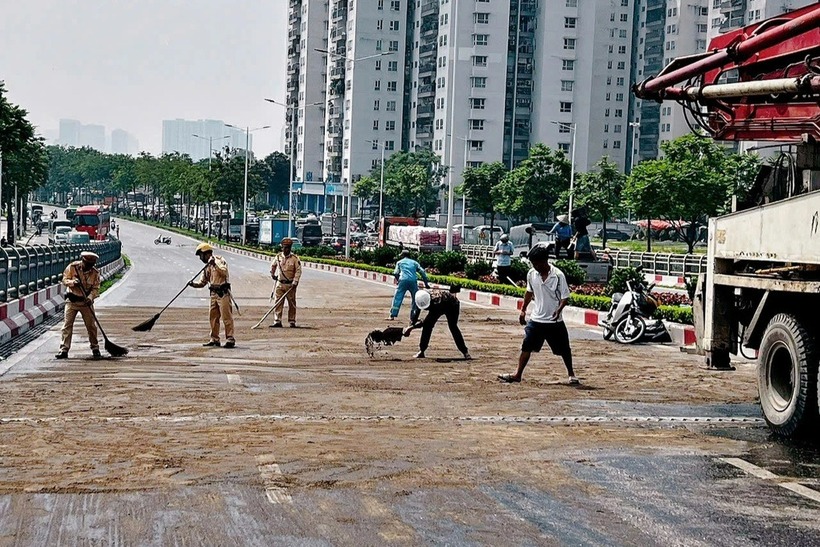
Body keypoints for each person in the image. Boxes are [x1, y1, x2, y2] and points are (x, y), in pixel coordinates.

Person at [497, 244, 579, 384]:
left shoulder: (558, 276)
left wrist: (559, 309)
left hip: (554, 321)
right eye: (532, 263)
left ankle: (571, 374)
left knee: (564, 349)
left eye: (536, 263)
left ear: (544, 261)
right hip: (536, 319)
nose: (534, 266)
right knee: (526, 346)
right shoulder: (531, 274)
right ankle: (518, 374)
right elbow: (529, 292)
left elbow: (565, 297)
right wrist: (523, 309)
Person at [56, 251, 101, 359]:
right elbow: (64, 280)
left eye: (90, 265)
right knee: (67, 326)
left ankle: (95, 348)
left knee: (91, 326)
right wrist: (72, 282)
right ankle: (64, 350)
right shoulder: (73, 267)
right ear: (83, 261)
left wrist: (90, 298)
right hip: (72, 301)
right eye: (86, 264)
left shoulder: (95, 273)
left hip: (86, 303)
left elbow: (96, 288)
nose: (88, 267)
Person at [188, 243, 236, 348]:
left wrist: (214, 264)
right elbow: (202, 282)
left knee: (226, 317)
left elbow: (224, 272)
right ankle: (214, 339)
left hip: (223, 293)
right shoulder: (207, 267)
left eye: (201, 255)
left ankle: (230, 339)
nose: (200, 258)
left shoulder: (219, 261)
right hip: (213, 294)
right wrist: (193, 284)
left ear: (206, 253)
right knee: (213, 317)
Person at [403, 287, 470, 360]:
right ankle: (422, 350)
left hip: (452, 305)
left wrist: (412, 328)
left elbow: (425, 322)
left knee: (453, 327)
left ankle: (465, 352)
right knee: (427, 327)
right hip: (441, 303)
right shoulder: (420, 298)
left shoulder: (436, 304)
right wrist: (411, 324)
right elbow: (416, 313)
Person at [389, 249, 429, 323]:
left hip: (403, 281)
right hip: (413, 281)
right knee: (415, 299)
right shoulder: (414, 263)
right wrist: (426, 283)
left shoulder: (400, 262)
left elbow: (395, 273)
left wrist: (398, 280)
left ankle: (392, 315)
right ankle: (413, 317)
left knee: (397, 297)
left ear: (403, 256)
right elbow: (422, 272)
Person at [270, 237, 302, 328]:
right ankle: (277, 320)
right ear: (282, 247)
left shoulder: (295, 259)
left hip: (290, 285)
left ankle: (292, 321)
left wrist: (295, 282)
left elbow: (298, 271)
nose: (286, 249)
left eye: (288, 247)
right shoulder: (278, 257)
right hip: (280, 284)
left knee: (291, 303)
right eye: (284, 247)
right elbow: (273, 266)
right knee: (278, 302)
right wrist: (272, 274)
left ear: (290, 248)